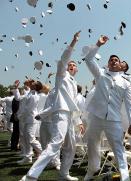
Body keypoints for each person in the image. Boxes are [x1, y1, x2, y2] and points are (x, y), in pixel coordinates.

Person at [20, 31, 82, 181]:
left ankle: (64, 174)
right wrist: (73, 43)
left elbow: (74, 105)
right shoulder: (62, 75)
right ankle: (30, 176)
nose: (72, 66)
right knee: (56, 143)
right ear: (66, 68)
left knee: (71, 146)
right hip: (61, 113)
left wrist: (78, 122)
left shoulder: (74, 82)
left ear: (77, 70)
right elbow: (63, 60)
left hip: (70, 116)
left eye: (74, 65)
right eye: (70, 65)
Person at [83, 35, 131, 181]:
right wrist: (97, 45)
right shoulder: (100, 74)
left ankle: (125, 177)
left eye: (116, 60)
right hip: (96, 117)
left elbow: (129, 103)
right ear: (107, 64)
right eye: (111, 60)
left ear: (120, 65)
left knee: (118, 149)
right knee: (92, 144)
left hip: (114, 119)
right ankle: (92, 170)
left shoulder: (125, 82)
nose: (113, 61)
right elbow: (88, 59)